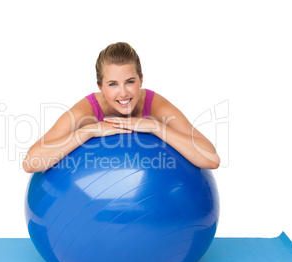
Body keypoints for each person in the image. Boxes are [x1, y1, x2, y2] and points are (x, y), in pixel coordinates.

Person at [23, 42, 220, 173]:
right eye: (113, 84)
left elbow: (211, 159)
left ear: (141, 80)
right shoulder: (85, 112)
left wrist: (155, 127)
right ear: (100, 87)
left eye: (130, 81)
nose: (123, 93)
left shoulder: (155, 105)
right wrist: (88, 131)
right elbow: (31, 162)